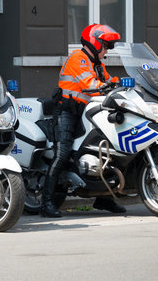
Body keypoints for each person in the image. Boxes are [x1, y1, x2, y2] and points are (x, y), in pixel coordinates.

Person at [41, 23, 127, 218]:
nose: (107, 51)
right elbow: (91, 84)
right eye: (105, 46)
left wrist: (123, 83)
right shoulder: (78, 59)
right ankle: (46, 203)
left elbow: (108, 81)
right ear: (95, 43)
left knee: (107, 149)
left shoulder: (98, 64)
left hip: (88, 112)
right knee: (62, 154)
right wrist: (108, 85)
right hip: (67, 110)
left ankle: (104, 198)